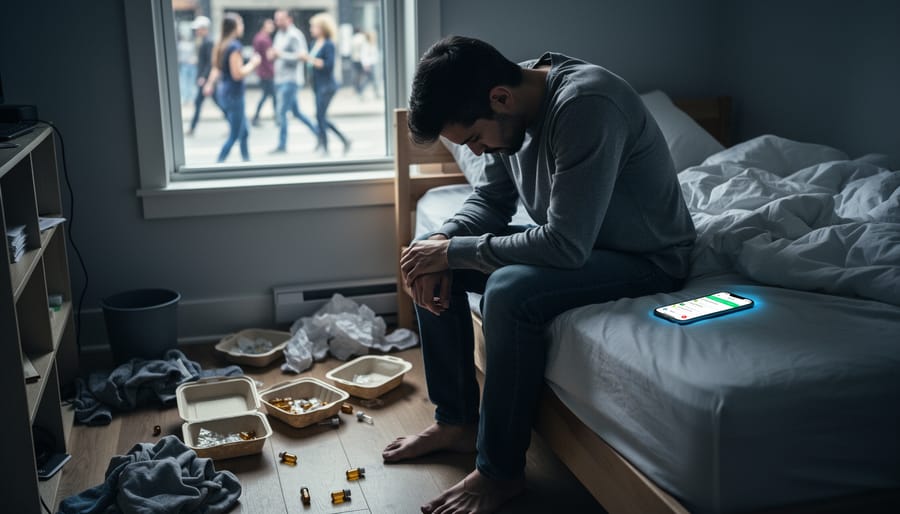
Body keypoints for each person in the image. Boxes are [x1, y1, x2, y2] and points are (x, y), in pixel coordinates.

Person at [381, 36, 696, 513]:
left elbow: (565, 246)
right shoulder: (512, 99)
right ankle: (457, 422)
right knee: (436, 261)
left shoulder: (587, 105)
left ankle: (500, 473)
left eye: (473, 140)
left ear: (500, 100)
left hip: (647, 258)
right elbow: (490, 201)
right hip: (584, 248)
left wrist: (453, 252)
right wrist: (436, 244)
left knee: (508, 289)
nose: (482, 152)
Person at [204, 13, 260, 163]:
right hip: (234, 95)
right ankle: (219, 163)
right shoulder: (235, 46)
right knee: (235, 134)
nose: (243, 27)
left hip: (225, 93)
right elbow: (238, 74)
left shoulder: (222, 45)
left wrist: (209, 84)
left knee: (245, 132)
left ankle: (247, 163)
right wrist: (253, 64)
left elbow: (216, 69)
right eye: (240, 24)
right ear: (234, 27)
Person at [301, 12, 351, 156]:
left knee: (320, 116)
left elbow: (328, 65)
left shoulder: (329, 44)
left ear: (322, 28)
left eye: (314, 26)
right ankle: (342, 140)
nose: (311, 29)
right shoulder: (314, 43)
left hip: (327, 86)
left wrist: (309, 59)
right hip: (316, 85)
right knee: (320, 116)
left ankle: (325, 145)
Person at [268, 9, 317, 154]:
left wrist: (280, 54)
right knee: (296, 112)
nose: (277, 22)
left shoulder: (294, 35)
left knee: (281, 112)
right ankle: (320, 133)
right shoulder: (279, 34)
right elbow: (277, 54)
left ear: (289, 19)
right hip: (280, 79)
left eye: (280, 19)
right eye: (276, 19)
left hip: (290, 80)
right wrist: (273, 55)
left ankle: (282, 145)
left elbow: (302, 56)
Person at [187, 15, 221, 136]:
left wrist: (203, 77)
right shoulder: (205, 41)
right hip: (206, 80)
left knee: (219, 102)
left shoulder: (209, 42)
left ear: (204, 28)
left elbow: (210, 63)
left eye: (198, 29)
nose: (196, 31)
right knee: (200, 103)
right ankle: (192, 128)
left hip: (207, 80)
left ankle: (234, 124)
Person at [251, 18, 277, 127]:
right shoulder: (265, 39)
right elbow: (269, 56)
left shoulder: (257, 37)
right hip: (267, 71)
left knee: (268, 95)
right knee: (271, 95)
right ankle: (277, 117)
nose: (272, 27)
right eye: (269, 25)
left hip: (262, 71)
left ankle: (258, 117)